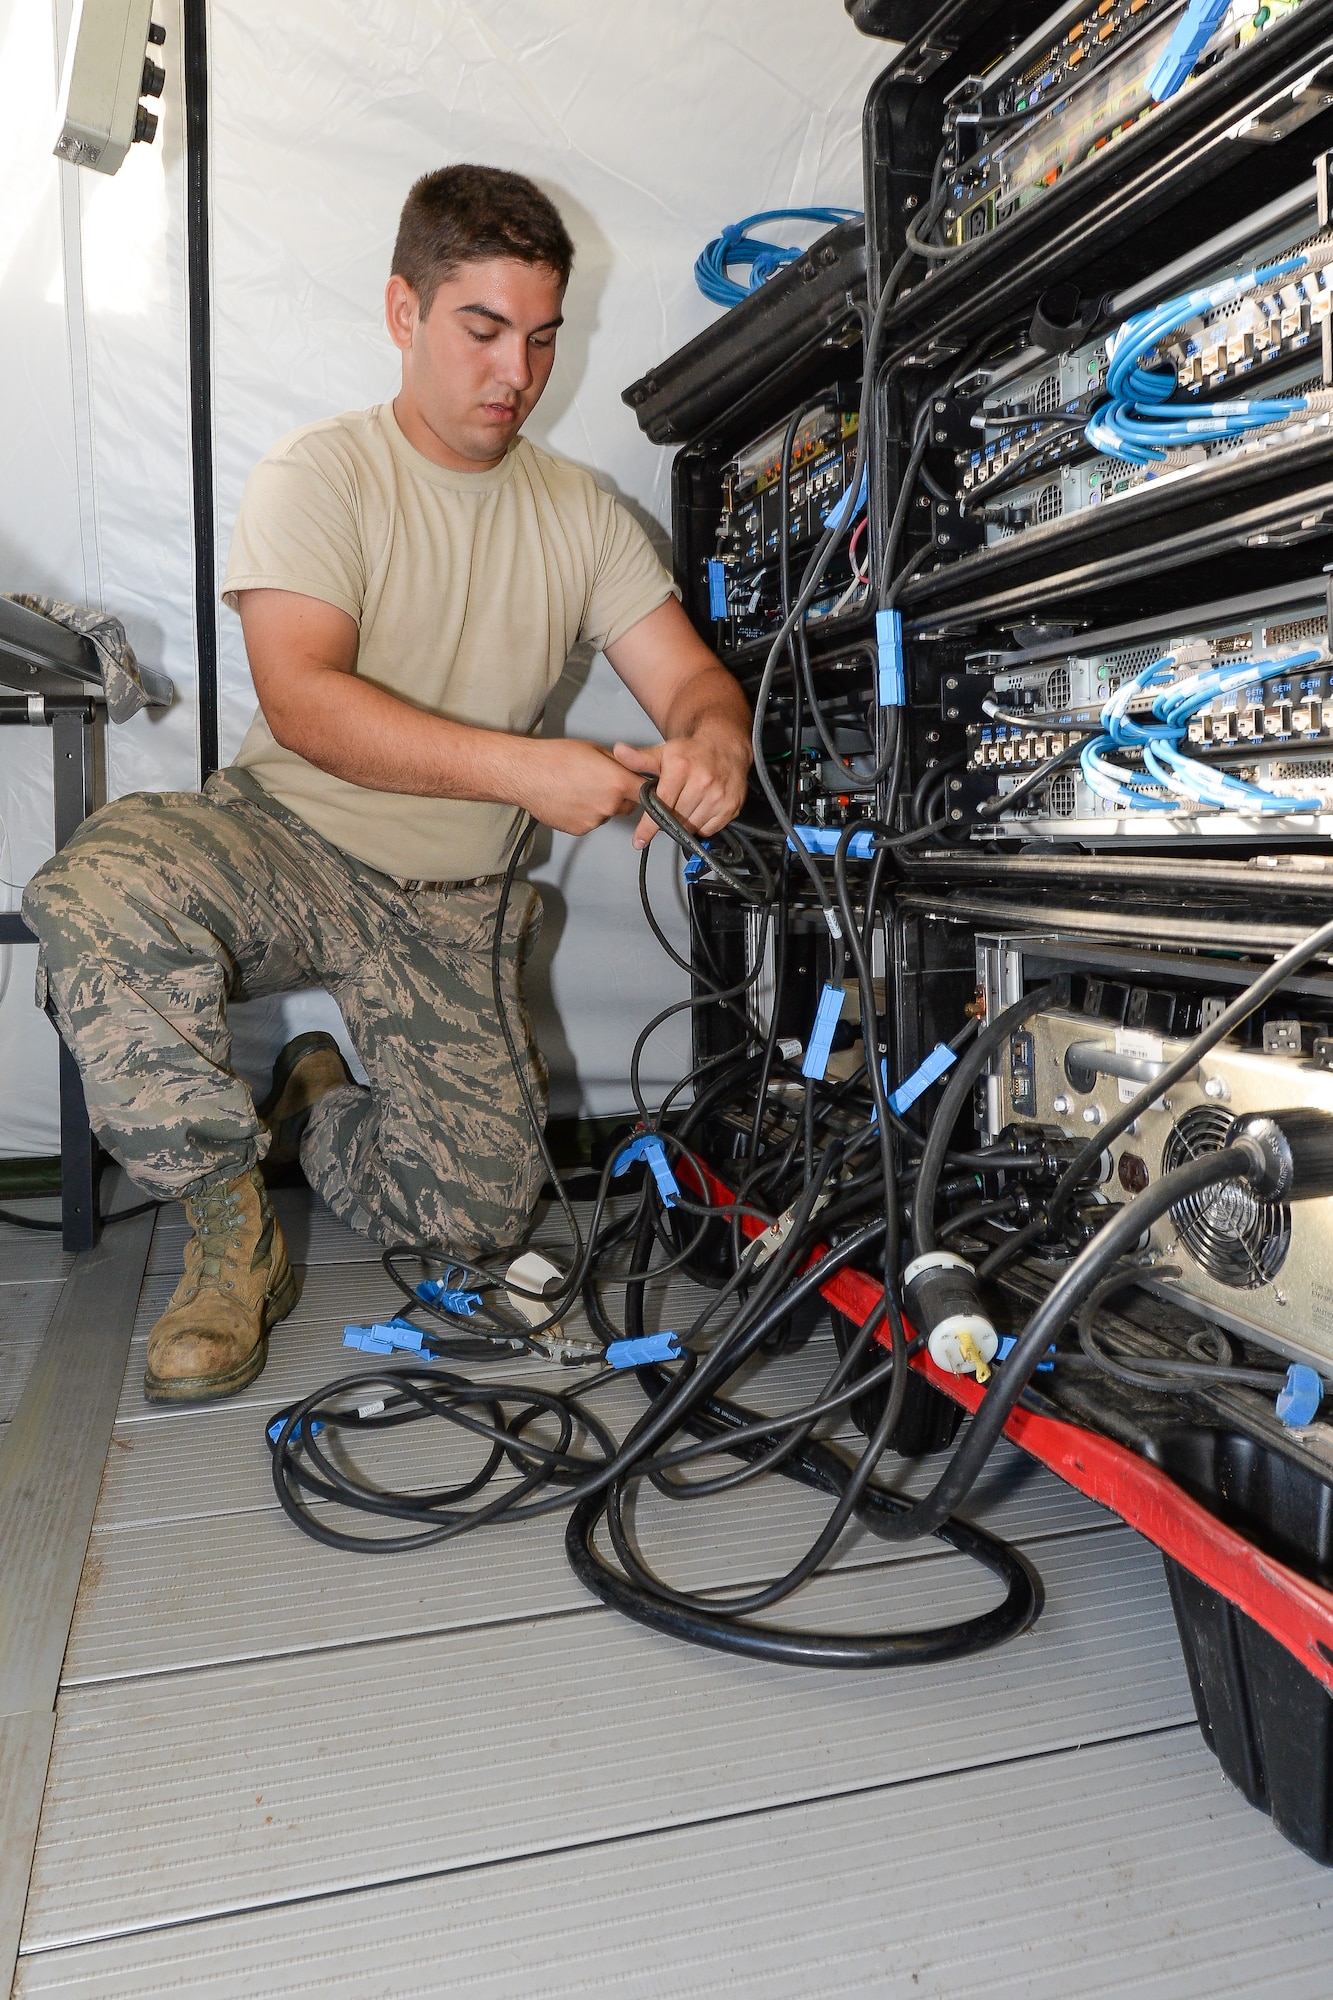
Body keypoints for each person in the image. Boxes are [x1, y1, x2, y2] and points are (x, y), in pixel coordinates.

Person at [23, 164, 751, 1405]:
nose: (513, 374)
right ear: (403, 313)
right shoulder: (323, 472)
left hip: (451, 896)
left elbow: (694, 684)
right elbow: (307, 700)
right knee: (98, 894)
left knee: (472, 1218)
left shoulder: (581, 514)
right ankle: (226, 1230)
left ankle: (316, 1106)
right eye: (480, 331)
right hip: (284, 842)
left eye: (538, 338)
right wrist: (531, 767)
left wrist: (710, 745)